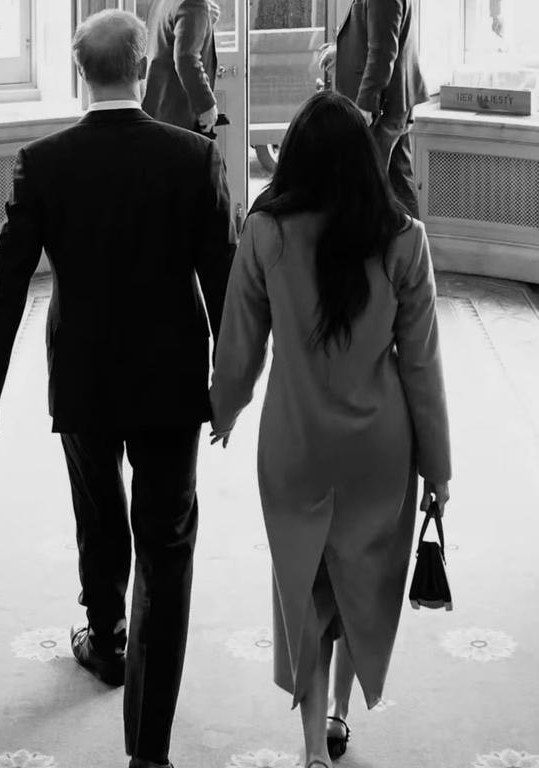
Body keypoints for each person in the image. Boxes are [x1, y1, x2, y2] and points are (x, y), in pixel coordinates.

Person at [0, 10, 234, 768]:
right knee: (169, 542)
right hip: (172, 377)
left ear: (77, 70)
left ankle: (106, 635)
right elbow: (225, 278)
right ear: (145, 66)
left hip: (82, 372)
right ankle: (149, 751)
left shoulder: (42, 161)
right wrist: (230, 381)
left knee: (96, 506)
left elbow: (5, 283)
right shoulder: (192, 157)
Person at [208, 91, 451, 768]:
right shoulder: (404, 240)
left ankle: (314, 748)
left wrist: (224, 407)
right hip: (379, 448)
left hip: (295, 444)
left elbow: (239, 343)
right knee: (361, 582)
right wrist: (439, 467)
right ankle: (343, 714)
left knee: (305, 586)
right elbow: (423, 366)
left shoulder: (265, 233)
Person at [321, 0, 429, 217]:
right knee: (397, 183)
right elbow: (377, 35)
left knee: (369, 189)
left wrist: (365, 106)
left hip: (382, 108)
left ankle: (391, 247)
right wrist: (341, 52)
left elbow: (383, 51)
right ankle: (413, 247)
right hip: (391, 103)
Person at [142, 0, 220, 133]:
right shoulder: (193, 4)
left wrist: (204, 19)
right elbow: (186, 59)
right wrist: (206, 105)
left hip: (157, 106)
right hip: (178, 114)